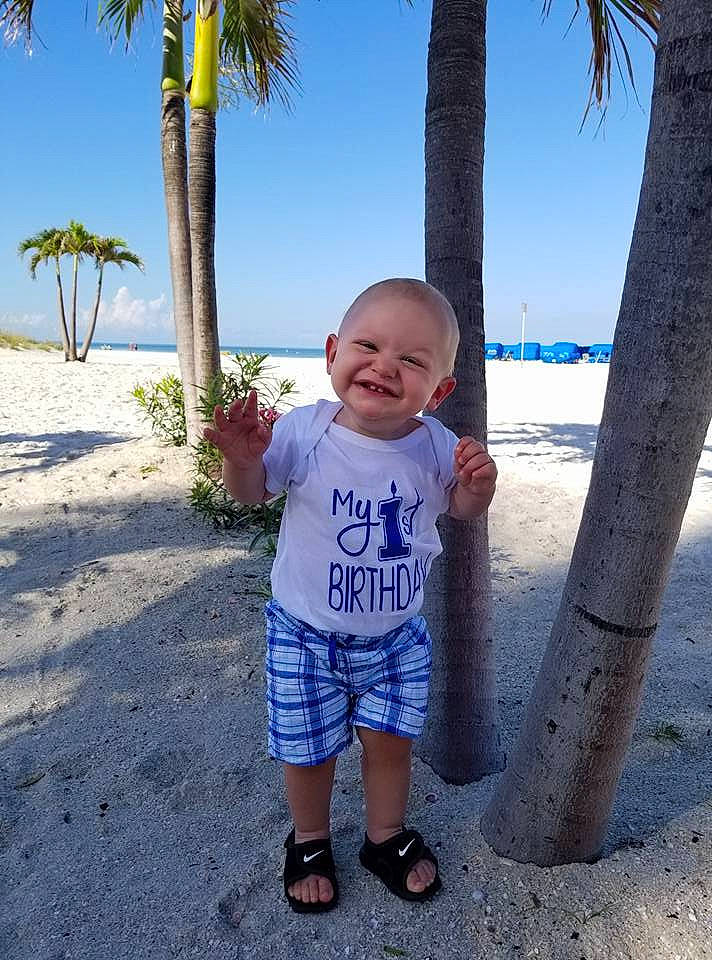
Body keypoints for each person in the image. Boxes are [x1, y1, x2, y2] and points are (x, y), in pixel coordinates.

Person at [204, 278, 497, 913]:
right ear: (333, 351)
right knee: (307, 751)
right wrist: (240, 458)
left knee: (391, 743)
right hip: (303, 633)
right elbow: (251, 493)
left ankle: (384, 835)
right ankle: (309, 839)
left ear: (439, 392)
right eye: (367, 344)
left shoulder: (436, 447)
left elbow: (462, 510)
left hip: (395, 639)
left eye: (412, 360)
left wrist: (478, 485)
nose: (384, 366)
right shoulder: (305, 431)